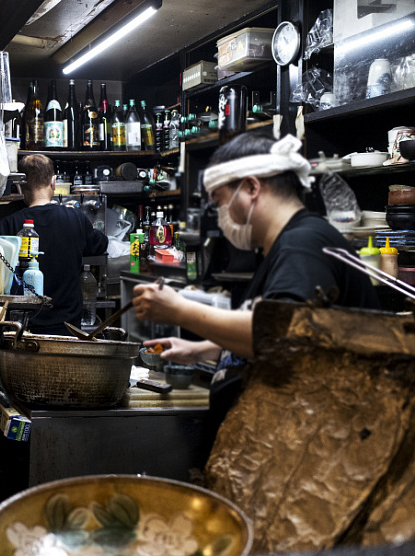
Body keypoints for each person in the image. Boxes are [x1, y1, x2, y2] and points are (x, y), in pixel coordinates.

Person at [132, 133, 379, 433]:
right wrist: (205, 350)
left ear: (251, 187)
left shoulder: (302, 245)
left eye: (220, 201)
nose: (220, 215)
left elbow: (282, 339)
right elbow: (285, 331)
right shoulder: (286, 244)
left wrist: (179, 311)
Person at [0, 154, 108, 335]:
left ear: (20, 185)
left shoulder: (9, 224)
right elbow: (101, 245)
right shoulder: (75, 218)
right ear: (54, 182)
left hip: (22, 327)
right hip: (68, 327)